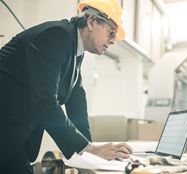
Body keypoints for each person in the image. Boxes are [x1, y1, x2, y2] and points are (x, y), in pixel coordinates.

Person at [0, 0, 133, 173]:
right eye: (111, 32)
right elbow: (45, 103)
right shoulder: (55, 35)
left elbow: (76, 100)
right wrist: (91, 150)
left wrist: (90, 151)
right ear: (91, 22)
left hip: (14, 137)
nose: (113, 41)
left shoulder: (75, 50)